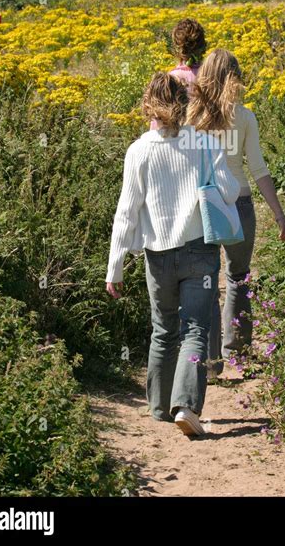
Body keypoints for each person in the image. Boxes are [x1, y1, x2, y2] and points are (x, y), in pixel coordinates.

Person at [106, 72, 239, 435]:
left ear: (148, 105)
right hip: (200, 249)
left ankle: (158, 406)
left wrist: (114, 267)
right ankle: (187, 406)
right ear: (185, 103)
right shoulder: (205, 143)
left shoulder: (139, 150)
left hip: (157, 253)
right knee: (196, 327)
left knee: (163, 328)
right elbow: (229, 191)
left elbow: (126, 211)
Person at [186, 49, 285, 376]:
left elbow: (186, 167)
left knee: (204, 281)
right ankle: (239, 354)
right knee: (238, 279)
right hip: (239, 204)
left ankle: (210, 359)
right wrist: (279, 214)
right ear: (235, 76)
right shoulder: (245, 117)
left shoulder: (192, 115)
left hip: (201, 205)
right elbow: (258, 168)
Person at [150, 18, 206, 131]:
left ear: (177, 47)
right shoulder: (211, 74)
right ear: (203, 45)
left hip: (179, 141)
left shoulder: (170, 79)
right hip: (208, 139)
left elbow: (159, 120)